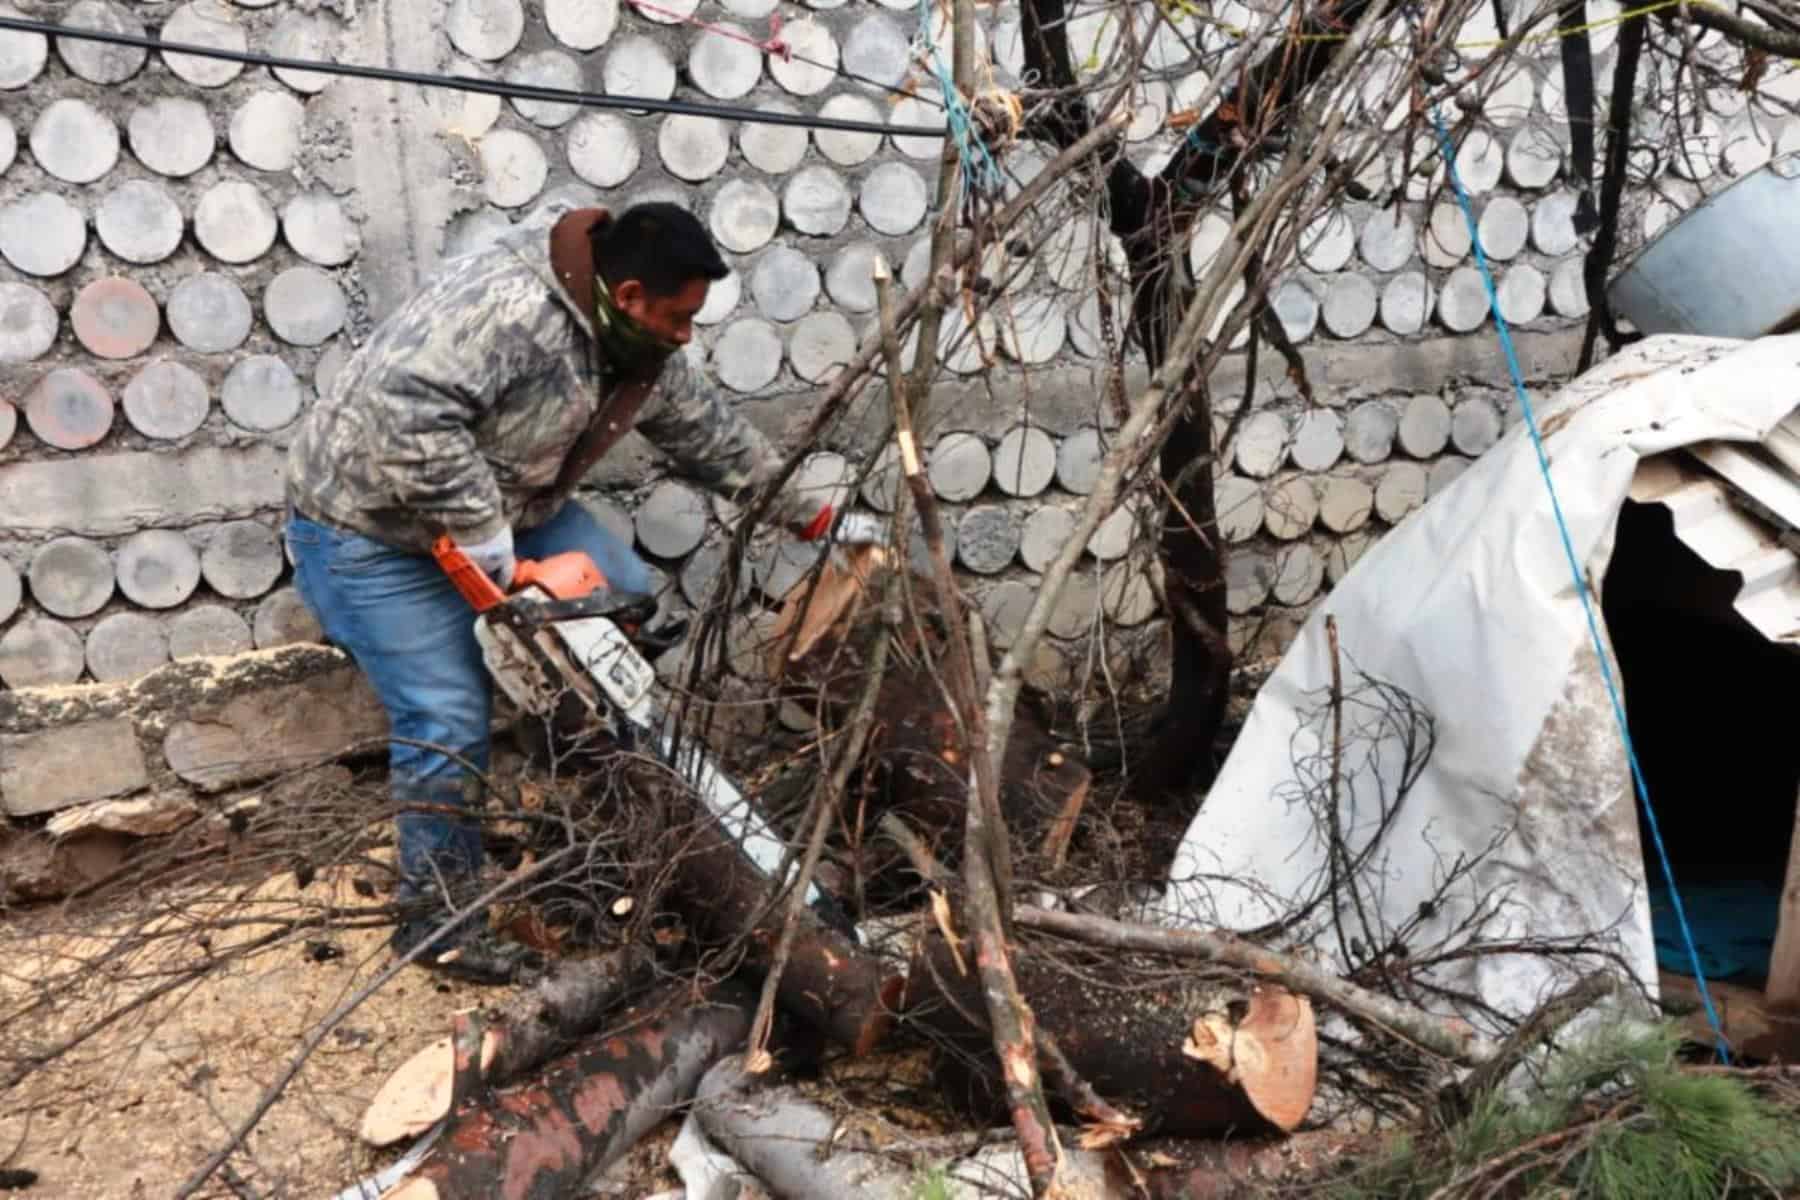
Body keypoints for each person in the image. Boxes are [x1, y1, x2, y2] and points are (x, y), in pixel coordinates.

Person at [284, 201, 881, 984]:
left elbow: (709, 435)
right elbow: (403, 409)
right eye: (678, 317)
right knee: (446, 714)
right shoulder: (510, 306)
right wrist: (476, 530)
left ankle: (586, 779)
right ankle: (436, 921)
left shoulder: (634, 342)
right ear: (629, 294)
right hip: (367, 526)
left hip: (505, 505)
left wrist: (820, 518)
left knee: (623, 590)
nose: (686, 335)